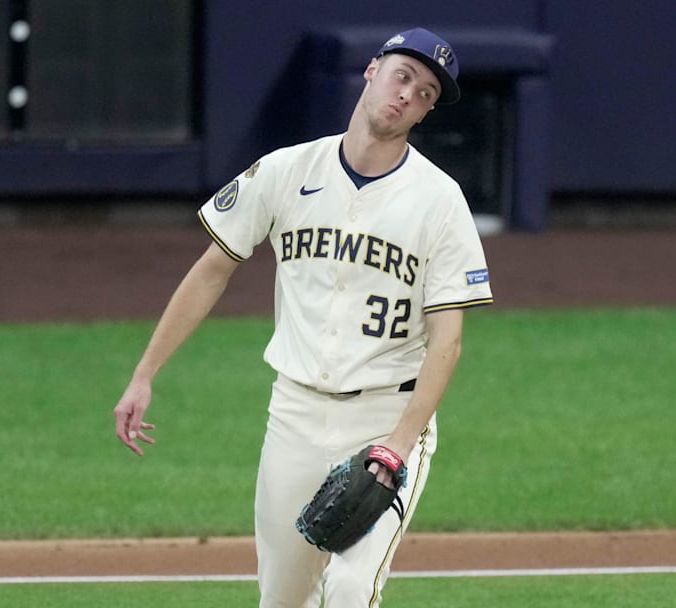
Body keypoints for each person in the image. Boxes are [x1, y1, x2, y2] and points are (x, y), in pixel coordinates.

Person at [113, 27, 493, 607]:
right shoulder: (287, 171)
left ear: (426, 112)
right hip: (293, 415)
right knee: (283, 600)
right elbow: (212, 269)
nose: (406, 94)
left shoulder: (440, 200)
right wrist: (144, 373)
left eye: (424, 93)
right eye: (402, 75)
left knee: (347, 591)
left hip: (386, 419)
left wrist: (398, 443)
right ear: (371, 71)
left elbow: (448, 342)